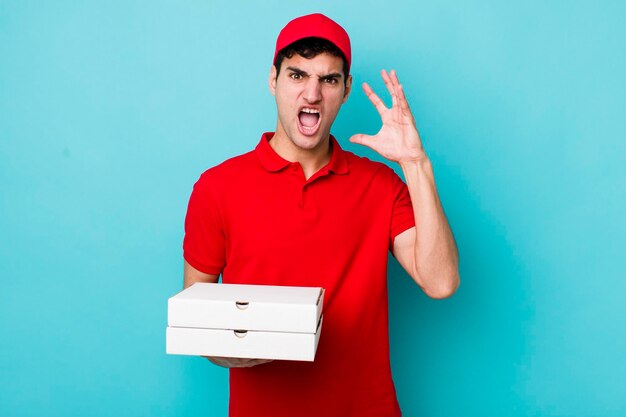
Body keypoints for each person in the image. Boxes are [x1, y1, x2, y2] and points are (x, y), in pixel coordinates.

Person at [182, 13, 459, 417]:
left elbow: (441, 282)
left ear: (345, 90)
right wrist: (238, 349)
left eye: (328, 80)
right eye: (297, 76)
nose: (312, 94)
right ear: (273, 80)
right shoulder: (217, 187)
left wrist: (416, 164)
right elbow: (198, 317)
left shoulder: (380, 185)